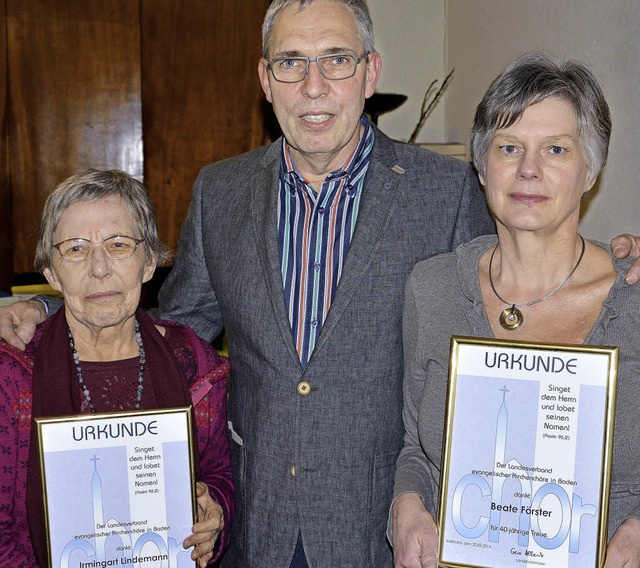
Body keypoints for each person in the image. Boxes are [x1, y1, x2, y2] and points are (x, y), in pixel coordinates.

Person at [1, 3, 640, 567]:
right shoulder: (221, 192)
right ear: (264, 79)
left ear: (370, 72)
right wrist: (54, 311)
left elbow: (525, 263)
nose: (313, 86)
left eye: (336, 59)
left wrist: (618, 253)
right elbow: (175, 331)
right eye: (290, 62)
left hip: (385, 528)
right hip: (258, 520)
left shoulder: (444, 192)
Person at [390, 52, 640, 568]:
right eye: (509, 147)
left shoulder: (634, 302)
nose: (529, 169)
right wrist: (408, 504)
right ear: (482, 167)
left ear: (590, 169)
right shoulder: (432, 290)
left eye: (555, 149)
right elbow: (416, 445)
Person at [0, 169, 234, 567]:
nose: (99, 269)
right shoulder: (13, 375)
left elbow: (218, 474)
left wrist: (217, 516)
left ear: (149, 263)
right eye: (76, 249)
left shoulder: (192, 361)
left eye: (119, 245)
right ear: (51, 273)